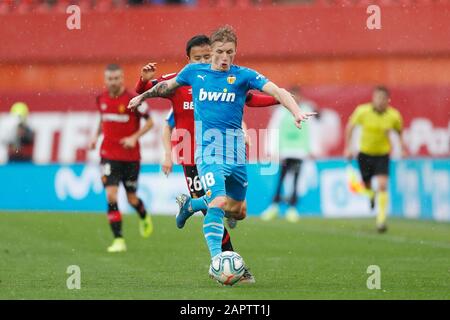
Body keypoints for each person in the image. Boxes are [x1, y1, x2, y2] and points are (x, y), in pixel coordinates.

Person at [128, 25, 315, 281]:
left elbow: (276, 91)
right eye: (219, 52)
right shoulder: (193, 73)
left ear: (235, 52)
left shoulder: (243, 76)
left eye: (229, 52)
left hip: (235, 154)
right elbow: (162, 87)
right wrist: (142, 96)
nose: (224, 57)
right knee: (217, 203)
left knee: (238, 210)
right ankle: (218, 261)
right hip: (205, 152)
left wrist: (294, 109)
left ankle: (190, 205)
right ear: (210, 52)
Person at [89, 64, 154, 253]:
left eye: (116, 78)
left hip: (130, 157)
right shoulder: (100, 98)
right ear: (105, 80)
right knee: (111, 195)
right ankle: (118, 239)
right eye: (110, 79)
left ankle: (143, 214)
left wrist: (134, 137)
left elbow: (150, 122)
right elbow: (103, 119)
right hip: (108, 155)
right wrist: (95, 137)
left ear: (122, 78)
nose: (113, 82)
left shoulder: (134, 99)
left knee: (132, 199)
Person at [344, 85, 406, 233]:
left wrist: (402, 149)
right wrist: (348, 147)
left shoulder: (394, 116)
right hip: (364, 154)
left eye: (383, 98)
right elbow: (350, 128)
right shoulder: (362, 111)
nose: (380, 101)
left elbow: (399, 132)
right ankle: (371, 195)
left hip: (382, 154)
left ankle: (381, 220)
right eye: (377, 97)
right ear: (373, 98)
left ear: (387, 100)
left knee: (383, 185)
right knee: (367, 184)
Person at [261, 86, 318, 223]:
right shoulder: (281, 111)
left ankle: (292, 208)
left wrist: (313, 149)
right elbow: (273, 128)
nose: (295, 99)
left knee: (296, 180)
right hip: (285, 151)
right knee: (281, 178)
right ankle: (274, 206)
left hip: (300, 152)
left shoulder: (306, 109)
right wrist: (272, 150)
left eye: (296, 96)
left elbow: (312, 130)